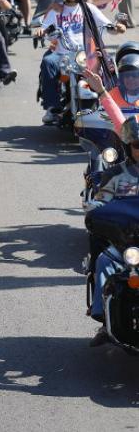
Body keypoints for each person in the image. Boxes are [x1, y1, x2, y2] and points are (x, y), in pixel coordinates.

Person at [36, 0, 124, 125]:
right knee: (48, 62)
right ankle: (52, 108)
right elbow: (45, 26)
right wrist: (41, 31)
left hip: (86, 54)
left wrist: (117, 27)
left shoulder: (88, 8)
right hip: (63, 53)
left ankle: (115, 100)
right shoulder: (57, 9)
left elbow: (107, 24)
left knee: (108, 62)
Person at [86, 116, 139, 346]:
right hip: (124, 241)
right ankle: (104, 322)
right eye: (138, 145)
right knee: (104, 263)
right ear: (128, 146)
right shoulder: (115, 175)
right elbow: (101, 201)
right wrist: (96, 208)